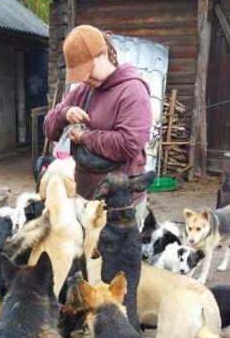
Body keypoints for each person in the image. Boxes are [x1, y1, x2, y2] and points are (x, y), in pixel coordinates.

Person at [43, 24, 153, 226]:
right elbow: (48, 127)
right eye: (80, 73)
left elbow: (128, 144)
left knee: (115, 258)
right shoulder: (83, 91)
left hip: (119, 207)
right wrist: (64, 114)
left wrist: (84, 137)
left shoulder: (132, 91)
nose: (85, 78)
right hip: (83, 201)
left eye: (89, 69)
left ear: (104, 53)